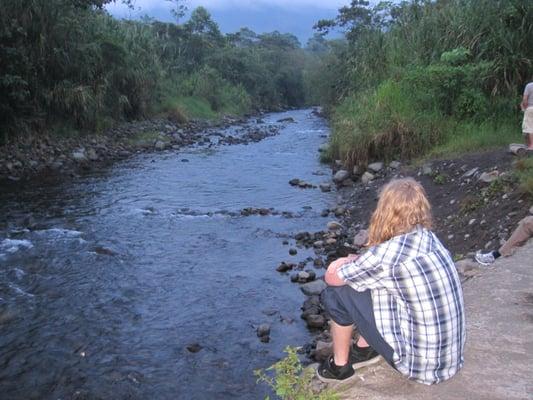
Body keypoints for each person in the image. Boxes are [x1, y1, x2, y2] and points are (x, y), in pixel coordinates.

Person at [317, 178, 465, 385]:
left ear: (384, 210)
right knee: (373, 285)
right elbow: (378, 272)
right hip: (449, 361)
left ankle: (339, 367)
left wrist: (341, 261)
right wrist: (358, 262)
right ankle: (364, 349)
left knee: (335, 293)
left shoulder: (386, 254)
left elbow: (332, 278)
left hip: (416, 366)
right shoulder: (429, 238)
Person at [521, 80, 533, 150]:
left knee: (529, 127)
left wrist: (524, 108)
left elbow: (525, 99)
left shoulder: (529, 86)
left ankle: (531, 145)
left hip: (530, 108)